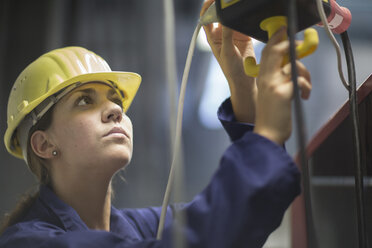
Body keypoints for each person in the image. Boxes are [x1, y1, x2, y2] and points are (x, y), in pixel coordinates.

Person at [0, 0, 312, 247]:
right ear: (43, 143)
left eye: (116, 100)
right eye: (85, 100)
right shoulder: (29, 241)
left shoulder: (144, 227)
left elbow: (238, 219)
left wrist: (243, 86)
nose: (114, 110)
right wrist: (267, 134)